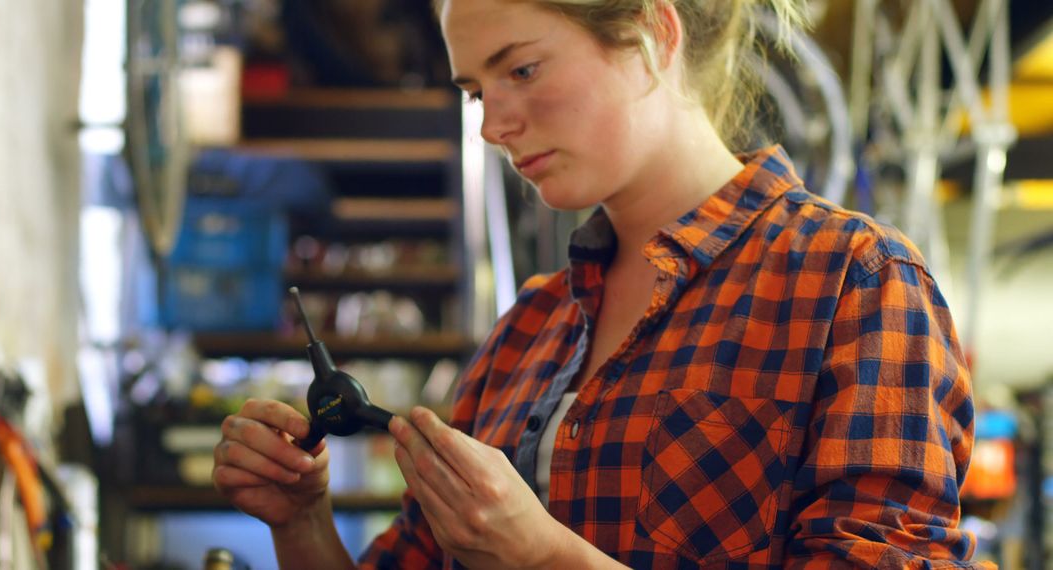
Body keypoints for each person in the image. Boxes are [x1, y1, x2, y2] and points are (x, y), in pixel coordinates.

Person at [213, 0, 994, 567]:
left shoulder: (852, 284)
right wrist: (302, 520)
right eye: (478, 91)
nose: (492, 126)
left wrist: (546, 556)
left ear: (654, 34)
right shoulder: (531, 330)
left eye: (522, 68)